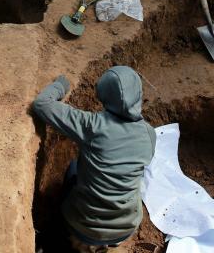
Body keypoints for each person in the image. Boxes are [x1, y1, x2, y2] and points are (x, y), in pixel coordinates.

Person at [32, 67, 156, 252]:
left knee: (72, 171)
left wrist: (61, 85)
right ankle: (107, 242)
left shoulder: (92, 125)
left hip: (85, 229)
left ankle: (63, 240)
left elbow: (41, 104)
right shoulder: (149, 133)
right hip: (125, 227)